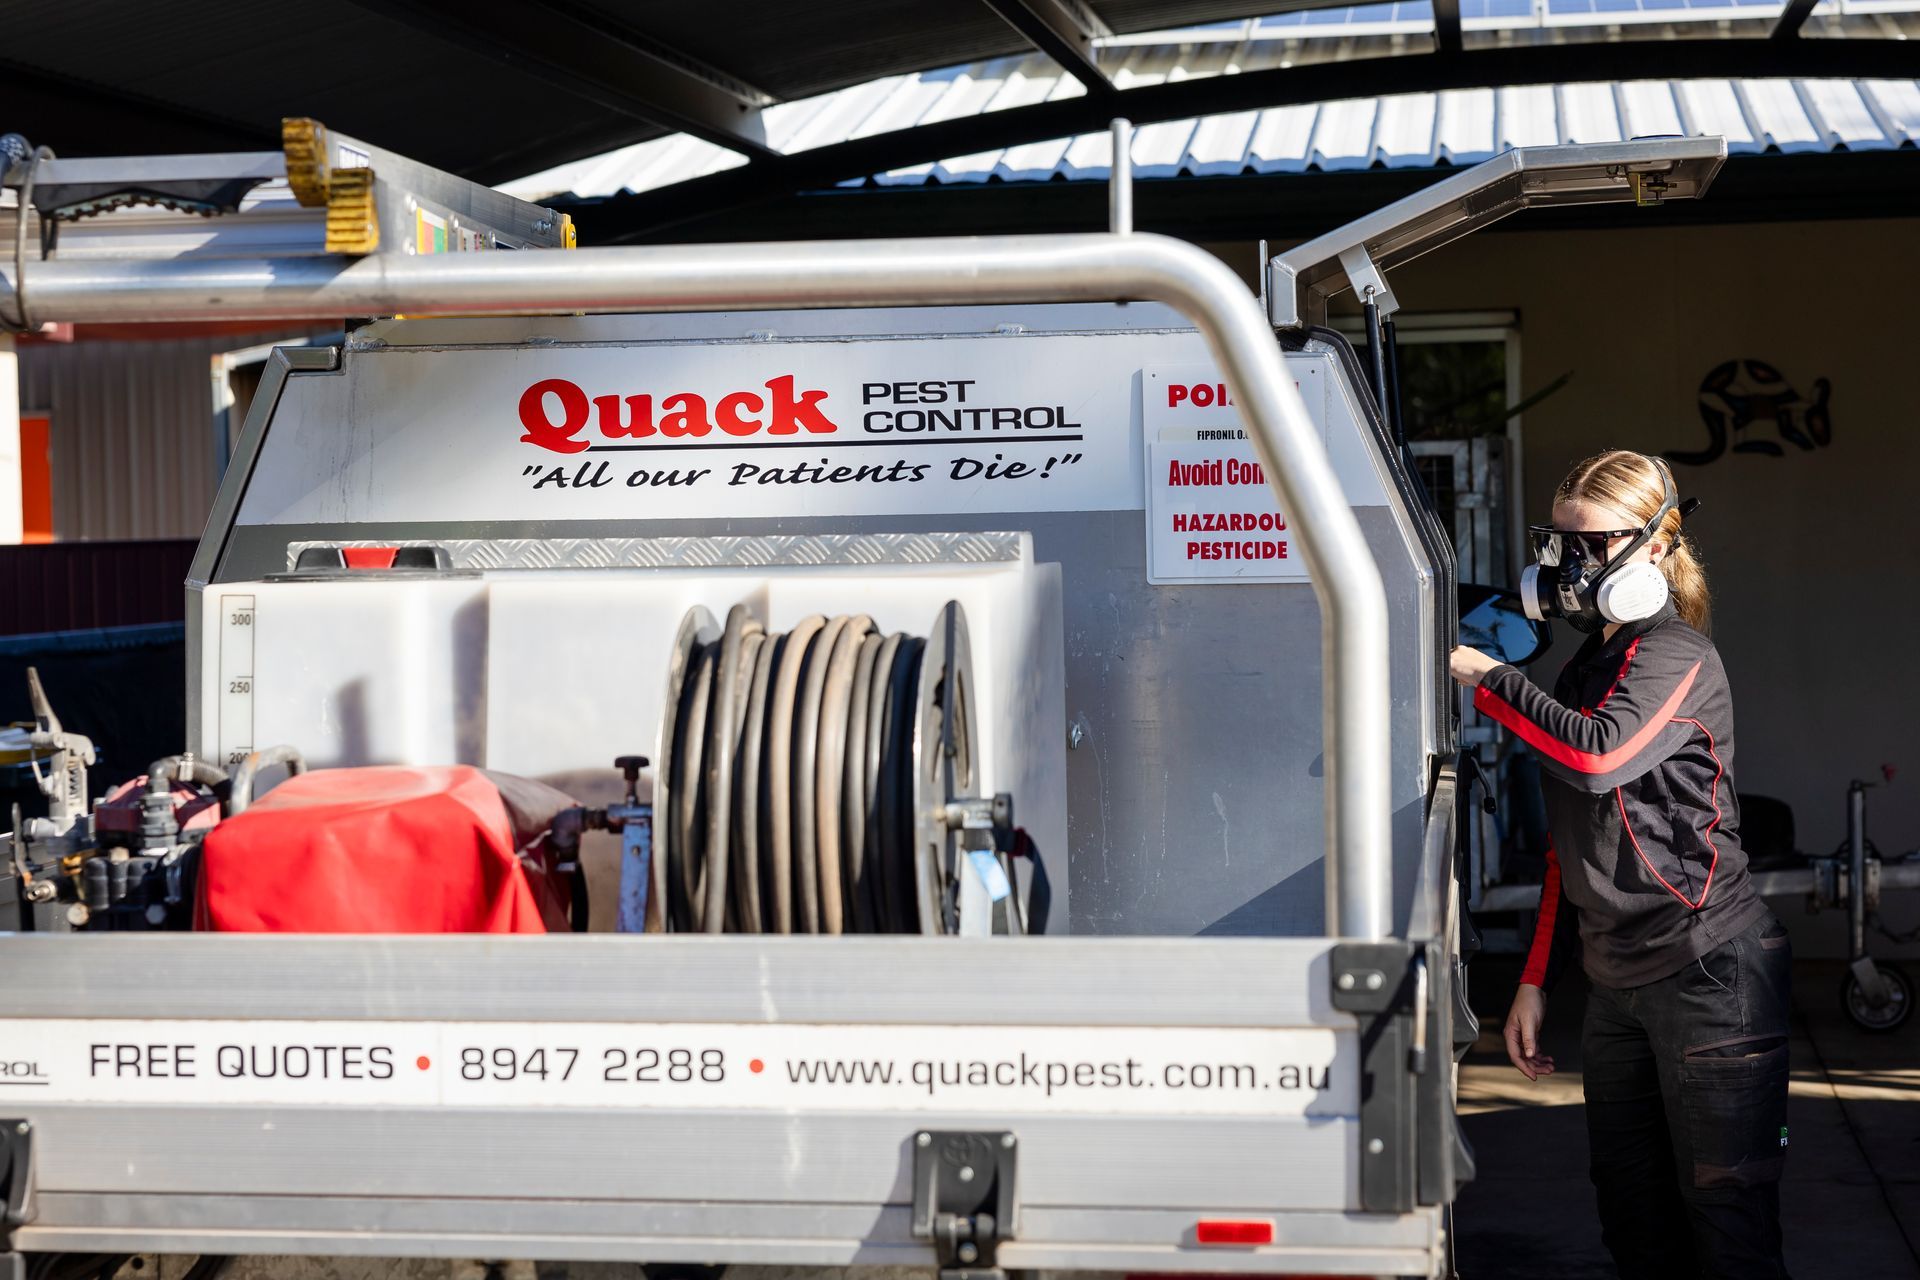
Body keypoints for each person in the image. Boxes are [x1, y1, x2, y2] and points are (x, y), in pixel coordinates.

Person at [1451, 449, 1792, 1280]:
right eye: (1561, 546)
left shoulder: (1679, 658)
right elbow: (1574, 842)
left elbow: (1600, 759)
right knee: (1634, 1222)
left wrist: (1488, 678)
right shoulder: (1585, 666)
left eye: (1592, 545)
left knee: (1728, 1228)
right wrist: (1537, 977)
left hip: (1712, 975)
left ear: (1655, 547)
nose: (1572, 568)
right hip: (1616, 988)